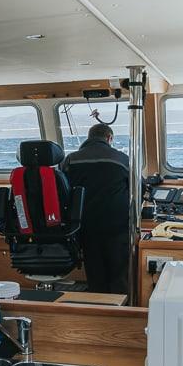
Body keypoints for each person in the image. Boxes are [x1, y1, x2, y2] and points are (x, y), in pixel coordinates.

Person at [60, 123, 130, 295]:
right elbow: (138, 188)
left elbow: (62, 191)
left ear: (89, 137)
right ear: (109, 138)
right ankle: (120, 307)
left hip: (84, 225)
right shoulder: (121, 159)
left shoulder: (70, 160)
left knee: (95, 270)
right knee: (119, 271)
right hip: (117, 224)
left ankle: (98, 305)